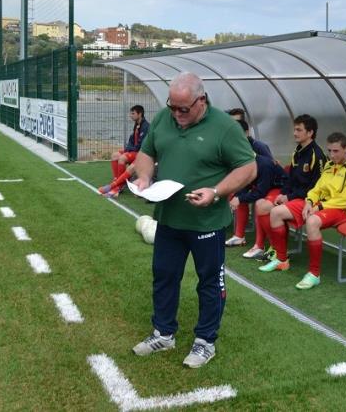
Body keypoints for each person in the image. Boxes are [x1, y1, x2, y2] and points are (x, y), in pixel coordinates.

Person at [130, 72, 256, 368]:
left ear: (201, 101)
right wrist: (146, 177)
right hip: (169, 217)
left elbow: (248, 168)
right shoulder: (164, 118)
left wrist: (216, 191)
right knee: (164, 275)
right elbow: (146, 153)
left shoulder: (224, 127)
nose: (176, 114)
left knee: (210, 282)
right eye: (172, 106)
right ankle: (163, 333)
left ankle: (205, 342)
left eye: (183, 109)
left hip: (206, 223)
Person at [263, 132, 346, 289]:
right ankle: (281, 260)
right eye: (329, 150)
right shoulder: (330, 165)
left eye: (335, 151)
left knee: (312, 221)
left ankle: (314, 274)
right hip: (319, 204)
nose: (331, 155)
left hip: (341, 210)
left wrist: (319, 207)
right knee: (276, 212)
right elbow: (317, 189)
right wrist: (309, 202)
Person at [249, 114, 325, 261]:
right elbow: (290, 178)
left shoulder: (318, 155)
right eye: (294, 129)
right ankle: (274, 248)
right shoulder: (297, 152)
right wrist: (283, 193)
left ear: (310, 133)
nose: (294, 133)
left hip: (308, 200)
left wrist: (288, 197)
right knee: (260, 205)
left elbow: (316, 187)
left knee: (275, 212)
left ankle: (281, 255)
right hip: (293, 196)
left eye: (299, 130)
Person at [225, 127, 288, 248]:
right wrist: (237, 197)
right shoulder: (246, 163)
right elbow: (245, 183)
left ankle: (269, 247)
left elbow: (261, 190)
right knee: (241, 197)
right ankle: (246, 239)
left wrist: (240, 199)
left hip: (279, 188)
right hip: (266, 187)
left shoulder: (262, 160)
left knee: (260, 204)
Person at [98, 105, 149, 198]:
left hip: (140, 153)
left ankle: (118, 187)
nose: (130, 115)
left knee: (122, 158)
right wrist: (127, 149)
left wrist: (128, 150)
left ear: (140, 114)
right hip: (133, 151)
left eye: (133, 113)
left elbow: (140, 146)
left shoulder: (146, 127)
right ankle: (116, 180)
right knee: (114, 155)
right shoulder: (137, 124)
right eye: (130, 113)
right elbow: (132, 140)